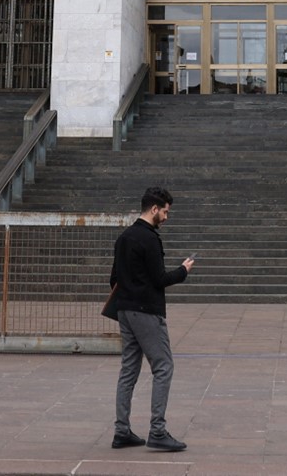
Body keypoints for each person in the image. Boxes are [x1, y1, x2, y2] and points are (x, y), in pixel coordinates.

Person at [109, 186, 194, 452]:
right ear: (154, 209)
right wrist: (183, 271)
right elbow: (159, 279)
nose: (167, 217)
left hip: (124, 310)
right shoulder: (149, 239)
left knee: (129, 371)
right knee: (163, 367)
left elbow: (113, 279)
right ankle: (157, 431)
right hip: (146, 311)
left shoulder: (124, 237)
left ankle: (122, 431)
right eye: (165, 212)